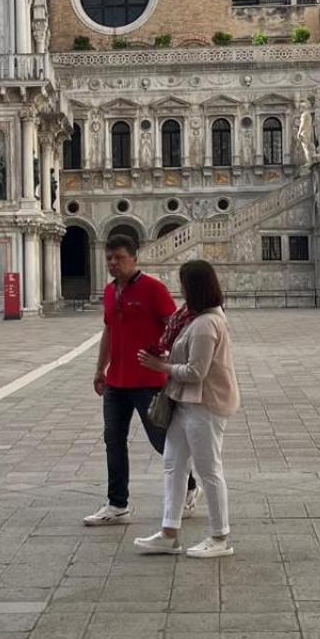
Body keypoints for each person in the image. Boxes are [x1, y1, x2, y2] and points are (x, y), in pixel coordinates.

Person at [84, 233, 196, 526]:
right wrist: (100, 369)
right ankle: (117, 504)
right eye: (109, 258)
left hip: (148, 380)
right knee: (113, 440)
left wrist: (164, 358)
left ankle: (190, 487)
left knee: (161, 440)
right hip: (116, 382)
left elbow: (174, 326)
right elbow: (108, 332)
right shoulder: (109, 292)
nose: (113, 263)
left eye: (119, 258)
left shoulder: (153, 289)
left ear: (134, 258)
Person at [133, 258, 240, 560]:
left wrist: (161, 366)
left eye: (183, 284)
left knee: (209, 470)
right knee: (173, 463)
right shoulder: (192, 317)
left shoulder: (206, 324)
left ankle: (220, 536)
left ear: (194, 287)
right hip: (185, 403)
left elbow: (197, 372)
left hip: (205, 404)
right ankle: (169, 533)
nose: (179, 290)